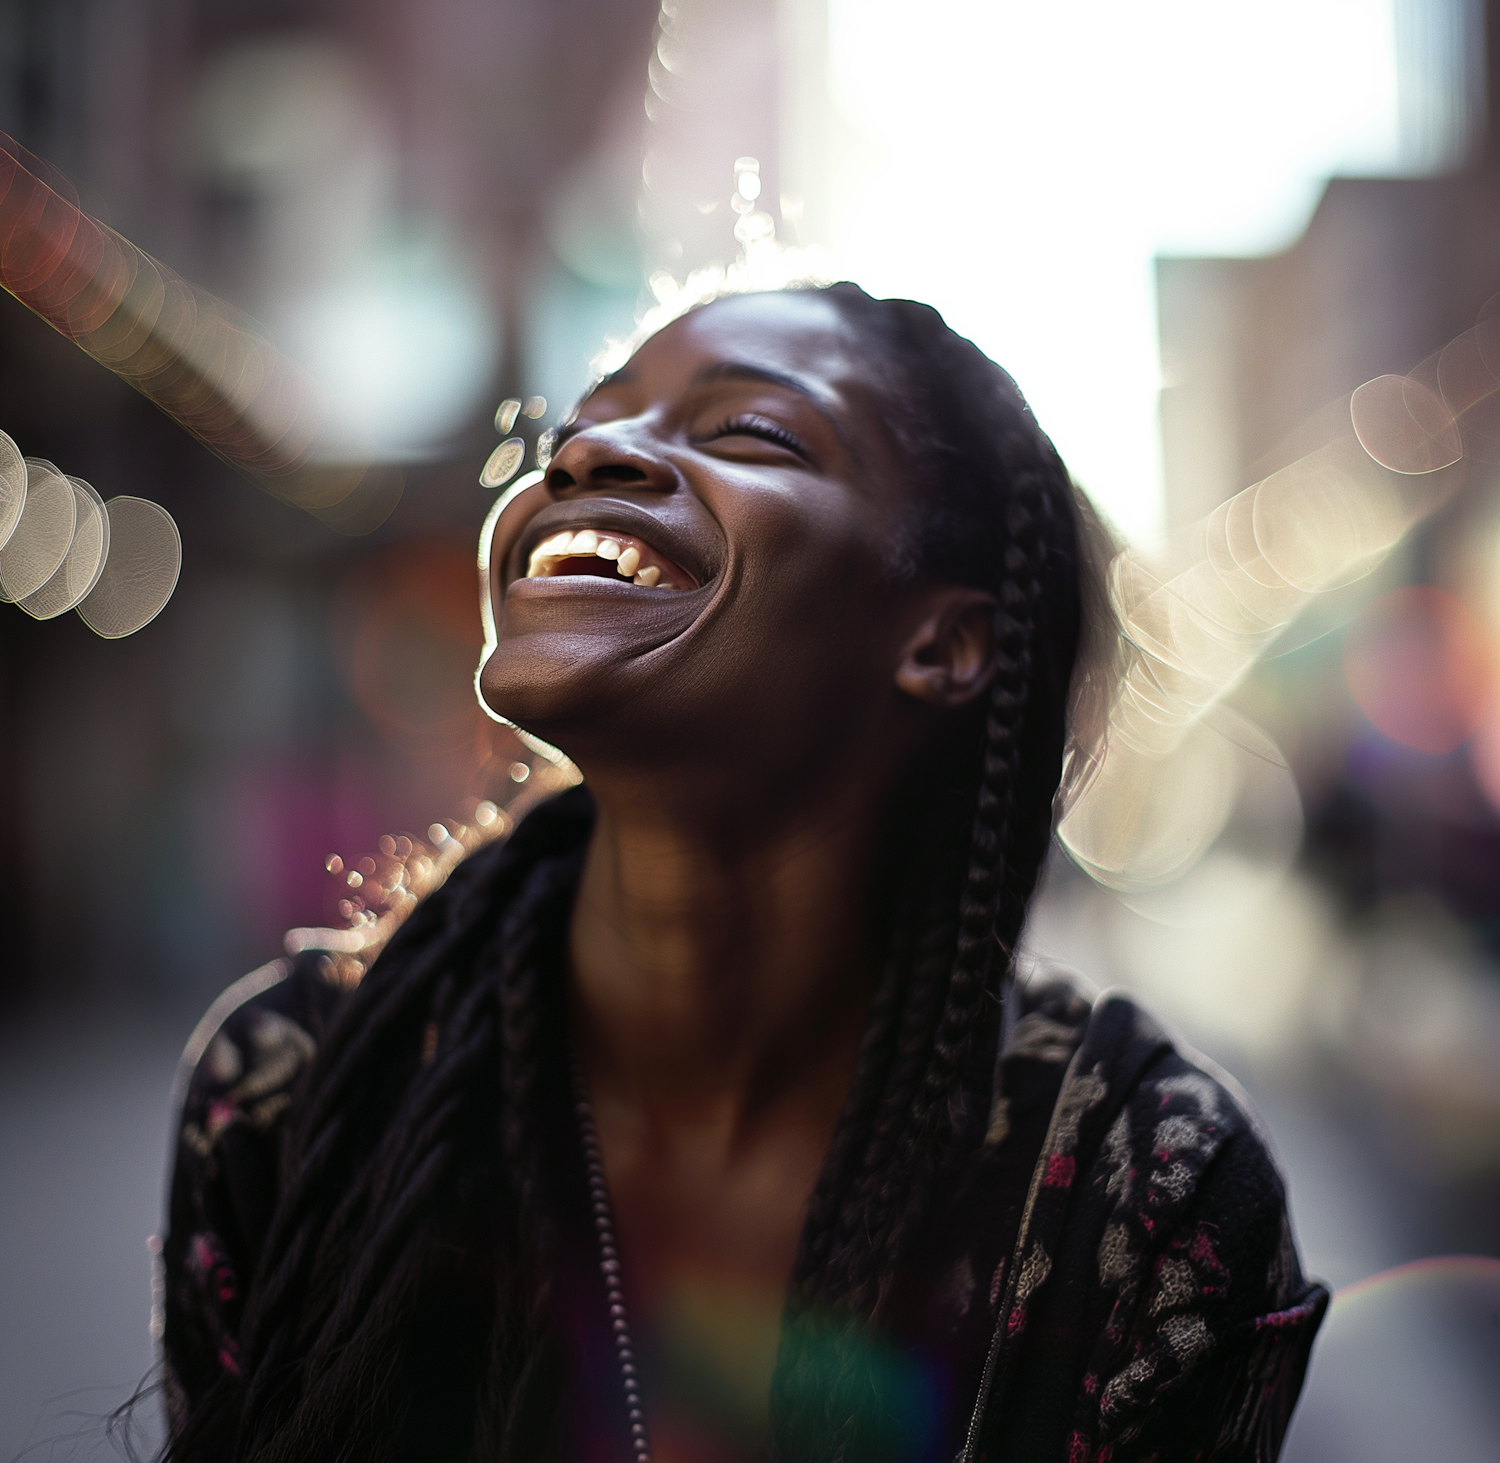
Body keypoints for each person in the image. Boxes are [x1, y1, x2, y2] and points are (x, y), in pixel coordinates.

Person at [159, 283, 1327, 1463]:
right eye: (579, 430)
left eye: (748, 433)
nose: (589, 454)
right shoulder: (293, 1093)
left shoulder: (1150, 1193)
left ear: (944, 643)